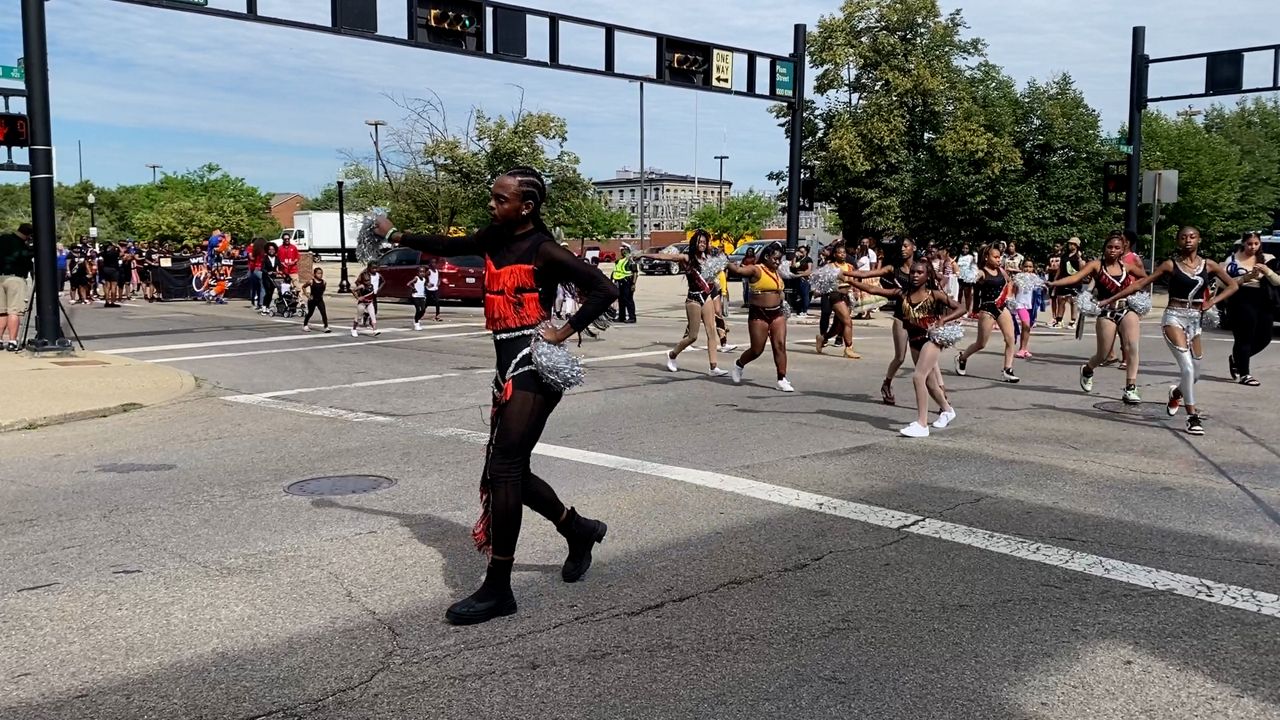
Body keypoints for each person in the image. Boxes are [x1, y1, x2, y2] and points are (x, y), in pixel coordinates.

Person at [374, 166, 617, 625]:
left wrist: (563, 331)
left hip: (534, 366)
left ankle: (499, 587)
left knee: (503, 467)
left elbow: (605, 288)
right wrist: (395, 233)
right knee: (512, 471)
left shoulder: (543, 249)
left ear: (525, 206)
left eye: (500, 199)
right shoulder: (493, 239)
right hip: (506, 367)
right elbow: (448, 245)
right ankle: (578, 530)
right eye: (493, 197)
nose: (492, 203)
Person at [1102, 227, 1239, 436]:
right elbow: (1141, 283)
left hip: (1195, 320)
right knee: (1187, 368)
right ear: (1178, 241)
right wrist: (1110, 299)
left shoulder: (1208, 265)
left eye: (1192, 237)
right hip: (1174, 316)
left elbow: (1233, 286)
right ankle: (1192, 417)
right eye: (1183, 237)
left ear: (1199, 239)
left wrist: (1212, 301)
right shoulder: (1170, 265)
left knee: (1195, 373)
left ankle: (1176, 393)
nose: (1188, 241)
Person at [850, 259, 964, 437]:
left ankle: (922, 423)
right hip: (915, 340)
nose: (915, 275)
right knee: (931, 384)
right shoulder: (901, 294)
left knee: (918, 377)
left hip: (932, 339)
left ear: (927, 276)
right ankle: (948, 410)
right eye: (913, 272)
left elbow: (961, 308)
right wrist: (850, 281)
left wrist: (942, 321)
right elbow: (874, 290)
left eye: (920, 273)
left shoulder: (934, 294)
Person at [1048, 234, 1147, 404]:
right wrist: (1053, 284)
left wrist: (1136, 291)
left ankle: (1130, 387)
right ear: (1105, 248)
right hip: (1106, 312)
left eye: (1117, 248)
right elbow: (1076, 277)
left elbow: (1145, 277)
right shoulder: (1096, 265)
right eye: (1110, 247)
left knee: (1132, 347)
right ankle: (1087, 369)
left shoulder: (1127, 267)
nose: (1113, 251)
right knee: (1103, 354)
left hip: (1126, 309)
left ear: (1122, 250)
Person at [640, 229, 731, 376]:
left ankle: (713, 367)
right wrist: (644, 254)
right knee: (692, 336)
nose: (702, 244)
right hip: (693, 300)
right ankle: (672, 354)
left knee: (711, 331)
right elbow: (665, 257)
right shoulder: (687, 258)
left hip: (706, 297)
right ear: (694, 243)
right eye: (699, 242)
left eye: (704, 242)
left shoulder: (708, 259)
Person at [844, 238, 920, 402]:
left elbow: (937, 283)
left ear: (914, 247)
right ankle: (887, 382)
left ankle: (941, 398)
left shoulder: (921, 268)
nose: (903, 249)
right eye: (901, 246)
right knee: (900, 357)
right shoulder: (894, 268)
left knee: (922, 363)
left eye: (906, 246)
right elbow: (867, 274)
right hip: (902, 317)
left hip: (920, 319)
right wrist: (847, 274)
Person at [726, 242, 794, 392]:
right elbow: (738, 270)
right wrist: (726, 263)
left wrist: (784, 302)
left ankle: (782, 378)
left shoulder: (777, 272)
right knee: (757, 350)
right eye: (775, 258)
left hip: (777, 313)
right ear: (767, 256)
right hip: (759, 314)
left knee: (780, 345)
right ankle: (739, 364)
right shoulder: (756, 269)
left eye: (779, 259)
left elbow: (779, 291)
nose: (777, 261)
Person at [954, 245, 1020, 383]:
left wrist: (1009, 295)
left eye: (999, 257)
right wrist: (968, 274)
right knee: (981, 343)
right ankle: (962, 357)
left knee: (1010, 338)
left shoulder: (1001, 270)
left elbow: (1009, 282)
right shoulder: (982, 272)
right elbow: (974, 277)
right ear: (986, 257)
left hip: (1002, 307)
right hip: (987, 310)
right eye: (995, 257)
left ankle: (1008, 369)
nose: (998, 259)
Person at [1223, 231, 1280, 386]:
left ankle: (1236, 359)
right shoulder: (1232, 260)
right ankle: (1244, 374)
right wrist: (1246, 278)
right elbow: (1223, 283)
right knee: (1244, 337)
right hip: (1241, 300)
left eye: (1256, 243)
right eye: (1249, 244)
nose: (1253, 247)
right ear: (1243, 243)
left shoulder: (1269, 259)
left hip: (1264, 301)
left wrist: (1266, 271)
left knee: (1265, 337)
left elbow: (1277, 281)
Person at [815, 243, 861, 359]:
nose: (842, 255)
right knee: (847, 321)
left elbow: (855, 280)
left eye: (844, 253)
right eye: (840, 253)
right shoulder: (830, 266)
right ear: (835, 254)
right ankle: (849, 348)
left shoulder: (850, 267)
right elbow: (822, 280)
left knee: (838, 326)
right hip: (835, 295)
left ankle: (823, 339)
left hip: (847, 297)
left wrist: (856, 291)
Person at [0, 223, 34, 351]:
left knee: (1, 311)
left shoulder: (3, 239)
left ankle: (0, 339)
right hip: (15, 278)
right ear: (29, 235)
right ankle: (12, 341)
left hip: (0, 276)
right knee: (14, 311)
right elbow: (26, 261)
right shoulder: (22, 246)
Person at [1010, 259, 1041, 359]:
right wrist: (1011, 302)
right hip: (1020, 304)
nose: (1028, 269)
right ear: (1021, 267)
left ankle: (1024, 348)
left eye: (1030, 267)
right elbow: (1013, 290)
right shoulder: (1018, 277)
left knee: (1027, 327)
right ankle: (1022, 349)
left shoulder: (1035, 278)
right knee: (1025, 325)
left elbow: (1040, 289)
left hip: (1030, 305)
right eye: (1026, 266)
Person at [1054, 237, 1085, 329]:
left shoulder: (1079, 256)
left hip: (1075, 280)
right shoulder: (1064, 255)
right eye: (1069, 244)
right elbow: (1060, 268)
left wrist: (1079, 259)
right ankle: (1059, 320)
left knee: (1073, 300)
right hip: (1064, 279)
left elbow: (1082, 269)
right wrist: (1056, 280)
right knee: (1061, 300)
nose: (1070, 245)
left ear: (1077, 245)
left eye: (1073, 244)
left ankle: (1073, 320)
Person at [609, 243, 638, 323]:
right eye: (622, 250)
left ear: (627, 251)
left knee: (628, 300)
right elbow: (615, 271)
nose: (622, 252)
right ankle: (622, 317)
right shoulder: (618, 261)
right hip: (619, 282)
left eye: (624, 250)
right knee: (621, 300)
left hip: (627, 282)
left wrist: (633, 284)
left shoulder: (630, 261)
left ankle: (632, 317)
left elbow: (635, 272)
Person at [350, 264, 381, 337]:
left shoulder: (371, 285)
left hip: (369, 303)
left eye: (369, 280)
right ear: (363, 281)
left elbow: (372, 293)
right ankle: (354, 329)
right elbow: (352, 290)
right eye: (366, 280)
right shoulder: (362, 286)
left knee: (373, 316)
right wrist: (358, 297)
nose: (368, 281)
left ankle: (374, 330)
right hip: (362, 304)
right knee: (358, 317)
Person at [302, 267, 331, 333]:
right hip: (312, 300)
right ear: (315, 274)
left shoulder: (324, 282)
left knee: (323, 313)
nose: (320, 275)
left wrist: (321, 295)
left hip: (320, 300)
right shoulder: (311, 281)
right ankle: (305, 325)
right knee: (310, 313)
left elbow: (322, 290)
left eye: (321, 273)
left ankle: (326, 327)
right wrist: (307, 295)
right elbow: (303, 287)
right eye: (318, 273)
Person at [790, 244, 814, 318]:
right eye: (799, 251)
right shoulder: (797, 259)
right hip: (797, 279)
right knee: (799, 295)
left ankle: (804, 310)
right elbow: (793, 266)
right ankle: (799, 310)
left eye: (802, 252)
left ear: (806, 252)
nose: (801, 253)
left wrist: (801, 274)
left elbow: (809, 270)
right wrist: (794, 257)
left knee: (805, 295)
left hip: (804, 279)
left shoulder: (808, 259)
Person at [98, 240, 122, 308]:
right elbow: (122, 253)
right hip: (114, 269)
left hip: (106, 269)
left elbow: (100, 260)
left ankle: (107, 301)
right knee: (114, 286)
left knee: (107, 286)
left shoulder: (103, 253)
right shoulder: (114, 253)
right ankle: (112, 301)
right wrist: (118, 246)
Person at [260, 243, 281, 314]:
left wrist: (278, 271)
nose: (271, 251)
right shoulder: (265, 258)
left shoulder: (277, 258)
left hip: (273, 277)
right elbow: (262, 268)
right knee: (268, 291)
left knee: (271, 292)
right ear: (267, 250)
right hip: (266, 277)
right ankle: (264, 306)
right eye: (270, 249)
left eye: (273, 249)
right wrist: (268, 272)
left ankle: (268, 306)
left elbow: (279, 266)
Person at [409, 265, 431, 331]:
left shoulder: (424, 279)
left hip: (422, 296)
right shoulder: (416, 278)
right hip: (416, 296)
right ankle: (416, 323)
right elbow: (408, 284)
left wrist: (429, 285)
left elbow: (425, 285)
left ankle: (417, 319)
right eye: (420, 272)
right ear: (417, 273)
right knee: (418, 309)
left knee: (423, 310)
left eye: (423, 272)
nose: (422, 273)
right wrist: (413, 288)